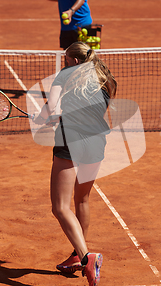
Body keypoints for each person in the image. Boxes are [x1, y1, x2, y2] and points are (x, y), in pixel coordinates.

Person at [33, 42, 117, 286]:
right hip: (96, 143)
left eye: (66, 60)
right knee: (81, 200)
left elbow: (51, 108)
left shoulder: (64, 76)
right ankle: (76, 254)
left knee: (60, 207)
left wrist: (43, 117)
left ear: (75, 62)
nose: (64, 64)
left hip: (70, 143)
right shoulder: (104, 77)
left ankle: (85, 257)